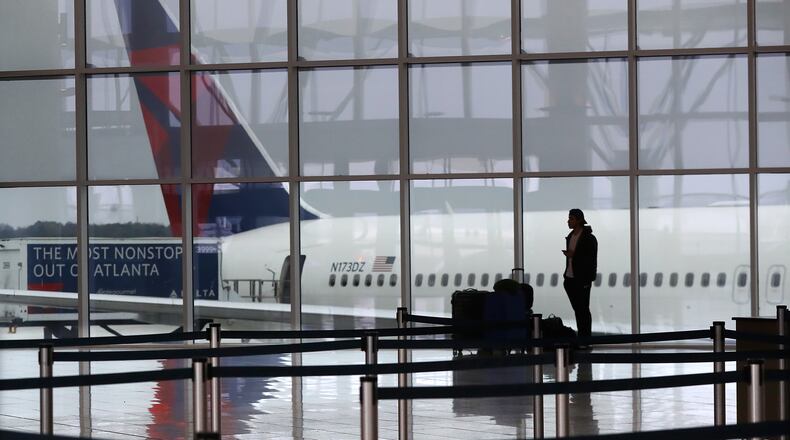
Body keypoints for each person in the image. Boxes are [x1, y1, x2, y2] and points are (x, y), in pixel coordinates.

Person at [562, 208, 597, 346]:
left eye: (571, 218)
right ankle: (582, 339)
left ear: (579, 220)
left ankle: (585, 339)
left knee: (583, 310)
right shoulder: (570, 236)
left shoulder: (589, 238)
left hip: (582, 279)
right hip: (570, 279)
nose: (568, 221)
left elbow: (591, 259)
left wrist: (573, 255)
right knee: (578, 310)